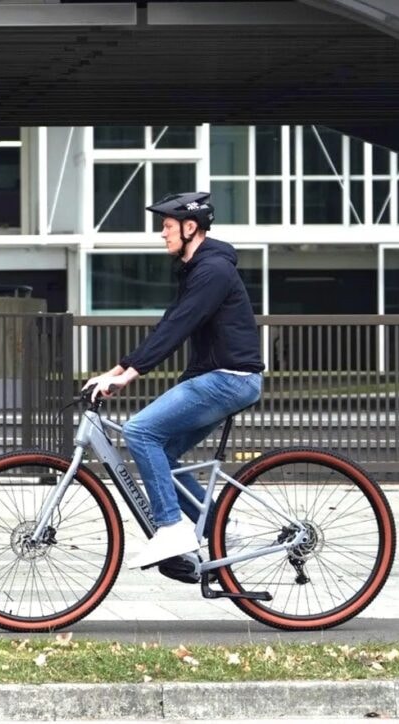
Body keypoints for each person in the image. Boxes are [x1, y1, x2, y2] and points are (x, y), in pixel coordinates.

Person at [83, 191, 264, 573]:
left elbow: (180, 326)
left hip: (228, 380)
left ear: (190, 227)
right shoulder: (198, 269)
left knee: (140, 431)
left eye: (167, 226)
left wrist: (130, 375)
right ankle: (221, 529)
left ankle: (171, 527)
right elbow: (168, 324)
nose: (162, 233)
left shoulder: (213, 271)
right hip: (219, 378)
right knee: (160, 451)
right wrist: (117, 371)